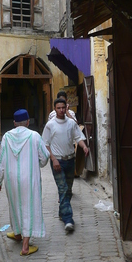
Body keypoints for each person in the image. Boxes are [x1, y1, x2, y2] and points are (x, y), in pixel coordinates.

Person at [0, 109, 50, 256]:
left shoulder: (7, 136)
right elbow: (45, 157)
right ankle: (25, 246)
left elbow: (1, 161)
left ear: (14, 123)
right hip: (29, 179)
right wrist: (37, 162)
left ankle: (18, 233)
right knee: (29, 208)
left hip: (11, 178)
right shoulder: (34, 136)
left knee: (15, 205)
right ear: (27, 122)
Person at [42, 98, 89, 233]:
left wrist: (84, 147)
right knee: (62, 189)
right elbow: (45, 144)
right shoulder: (50, 125)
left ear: (66, 108)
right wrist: (53, 159)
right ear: (55, 109)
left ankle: (62, 212)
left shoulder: (71, 124)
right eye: (59, 108)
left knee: (68, 190)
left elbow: (78, 137)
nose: (61, 110)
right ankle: (68, 219)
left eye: (63, 108)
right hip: (57, 162)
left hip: (70, 160)